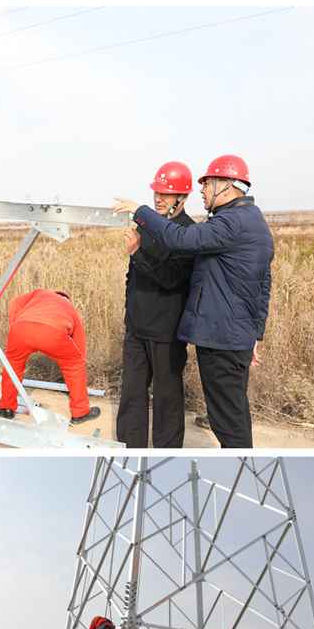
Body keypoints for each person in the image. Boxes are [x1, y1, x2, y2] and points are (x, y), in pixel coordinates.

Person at [114, 155, 274, 448]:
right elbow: (263, 283)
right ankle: (130, 449)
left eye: (208, 184)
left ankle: (185, 454)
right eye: (156, 192)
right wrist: (255, 333)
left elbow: (176, 257)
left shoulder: (226, 224)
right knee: (225, 415)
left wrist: (139, 216)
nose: (203, 190)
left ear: (226, 185)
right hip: (159, 327)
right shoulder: (246, 220)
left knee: (222, 418)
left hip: (204, 334)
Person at [117, 161, 195, 448]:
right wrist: (130, 313)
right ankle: (129, 448)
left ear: (182, 198)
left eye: (166, 194)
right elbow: (133, 275)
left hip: (166, 332)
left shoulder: (188, 232)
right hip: (136, 328)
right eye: (156, 193)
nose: (159, 199)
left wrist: (138, 252)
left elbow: (172, 279)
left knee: (167, 397)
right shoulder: (146, 226)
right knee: (132, 393)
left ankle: (167, 450)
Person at [0, 290, 100, 425]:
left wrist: (16, 326)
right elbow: (79, 345)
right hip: (53, 332)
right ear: (67, 299)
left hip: (21, 328)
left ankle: (6, 408)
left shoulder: (39, 294)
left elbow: (15, 303)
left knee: (13, 365)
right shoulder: (70, 309)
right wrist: (76, 360)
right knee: (74, 365)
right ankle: (80, 412)